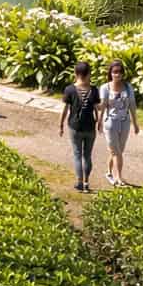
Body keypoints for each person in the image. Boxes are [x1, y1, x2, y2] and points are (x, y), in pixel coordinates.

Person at [59, 61, 101, 192]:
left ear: (75, 73)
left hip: (75, 127)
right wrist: (98, 122)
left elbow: (65, 109)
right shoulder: (94, 90)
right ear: (88, 74)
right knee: (87, 156)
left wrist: (60, 125)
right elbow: (96, 109)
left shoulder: (70, 89)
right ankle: (87, 183)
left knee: (77, 154)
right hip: (90, 127)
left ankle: (79, 182)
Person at [100, 59, 139, 186]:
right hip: (110, 123)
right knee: (116, 151)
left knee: (118, 151)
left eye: (120, 72)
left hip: (125, 122)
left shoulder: (128, 87)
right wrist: (99, 120)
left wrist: (135, 123)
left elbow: (132, 105)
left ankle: (109, 172)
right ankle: (119, 177)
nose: (118, 74)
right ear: (110, 73)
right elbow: (103, 105)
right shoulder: (105, 88)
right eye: (115, 72)